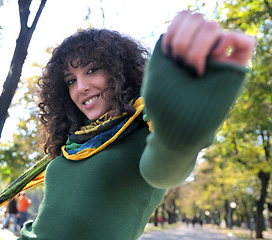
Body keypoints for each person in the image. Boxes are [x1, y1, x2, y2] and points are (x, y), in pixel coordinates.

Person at [14, 10, 255, 239]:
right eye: (70, 80)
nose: (80, 87)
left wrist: (180, 129)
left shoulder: (145, 129)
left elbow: (164, 166)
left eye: (92, 69)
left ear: (120, 70)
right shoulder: (74, 142)